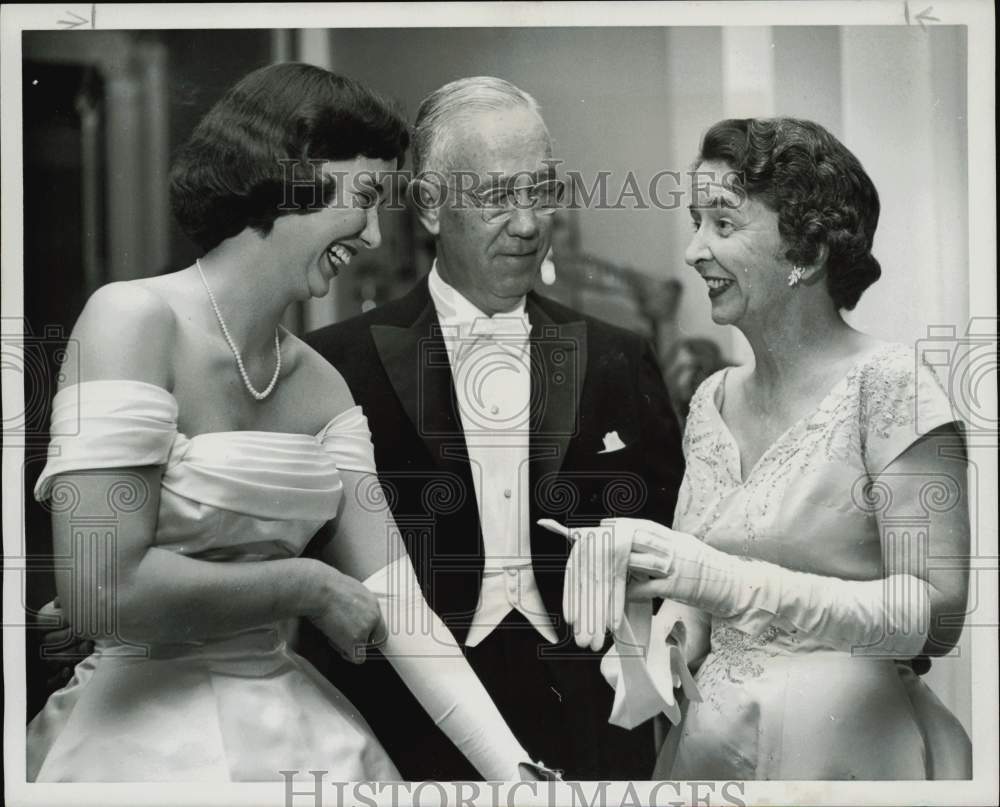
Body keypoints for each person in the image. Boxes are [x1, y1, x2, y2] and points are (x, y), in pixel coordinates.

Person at [26, 63, 549, 783]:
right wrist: (303, 583)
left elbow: (400, 605)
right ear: (291, 176)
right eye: (362, 199)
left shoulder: (321, 385)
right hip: (135, 742)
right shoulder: (131, 320)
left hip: (293, 732)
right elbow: (96, 588)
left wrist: (514, 772)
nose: (371, 235)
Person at [560, 117, 973, 780]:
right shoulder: (713, 401)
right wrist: (655, 636)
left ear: (806, 252)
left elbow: (937, 617)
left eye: (722, 225)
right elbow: (695, 602)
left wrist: (721, 580)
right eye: (697, 223)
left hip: (845, 756)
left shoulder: (890, 385)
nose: (694, 251)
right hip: (714, 753)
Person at [304, 76, 685, 780]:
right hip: (406, 723)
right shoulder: (337, 364)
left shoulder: (618, 356)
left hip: (592, 720)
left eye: (541, 190)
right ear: (427, 205)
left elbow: (677, 540)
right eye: (497, 196)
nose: (529, 220)